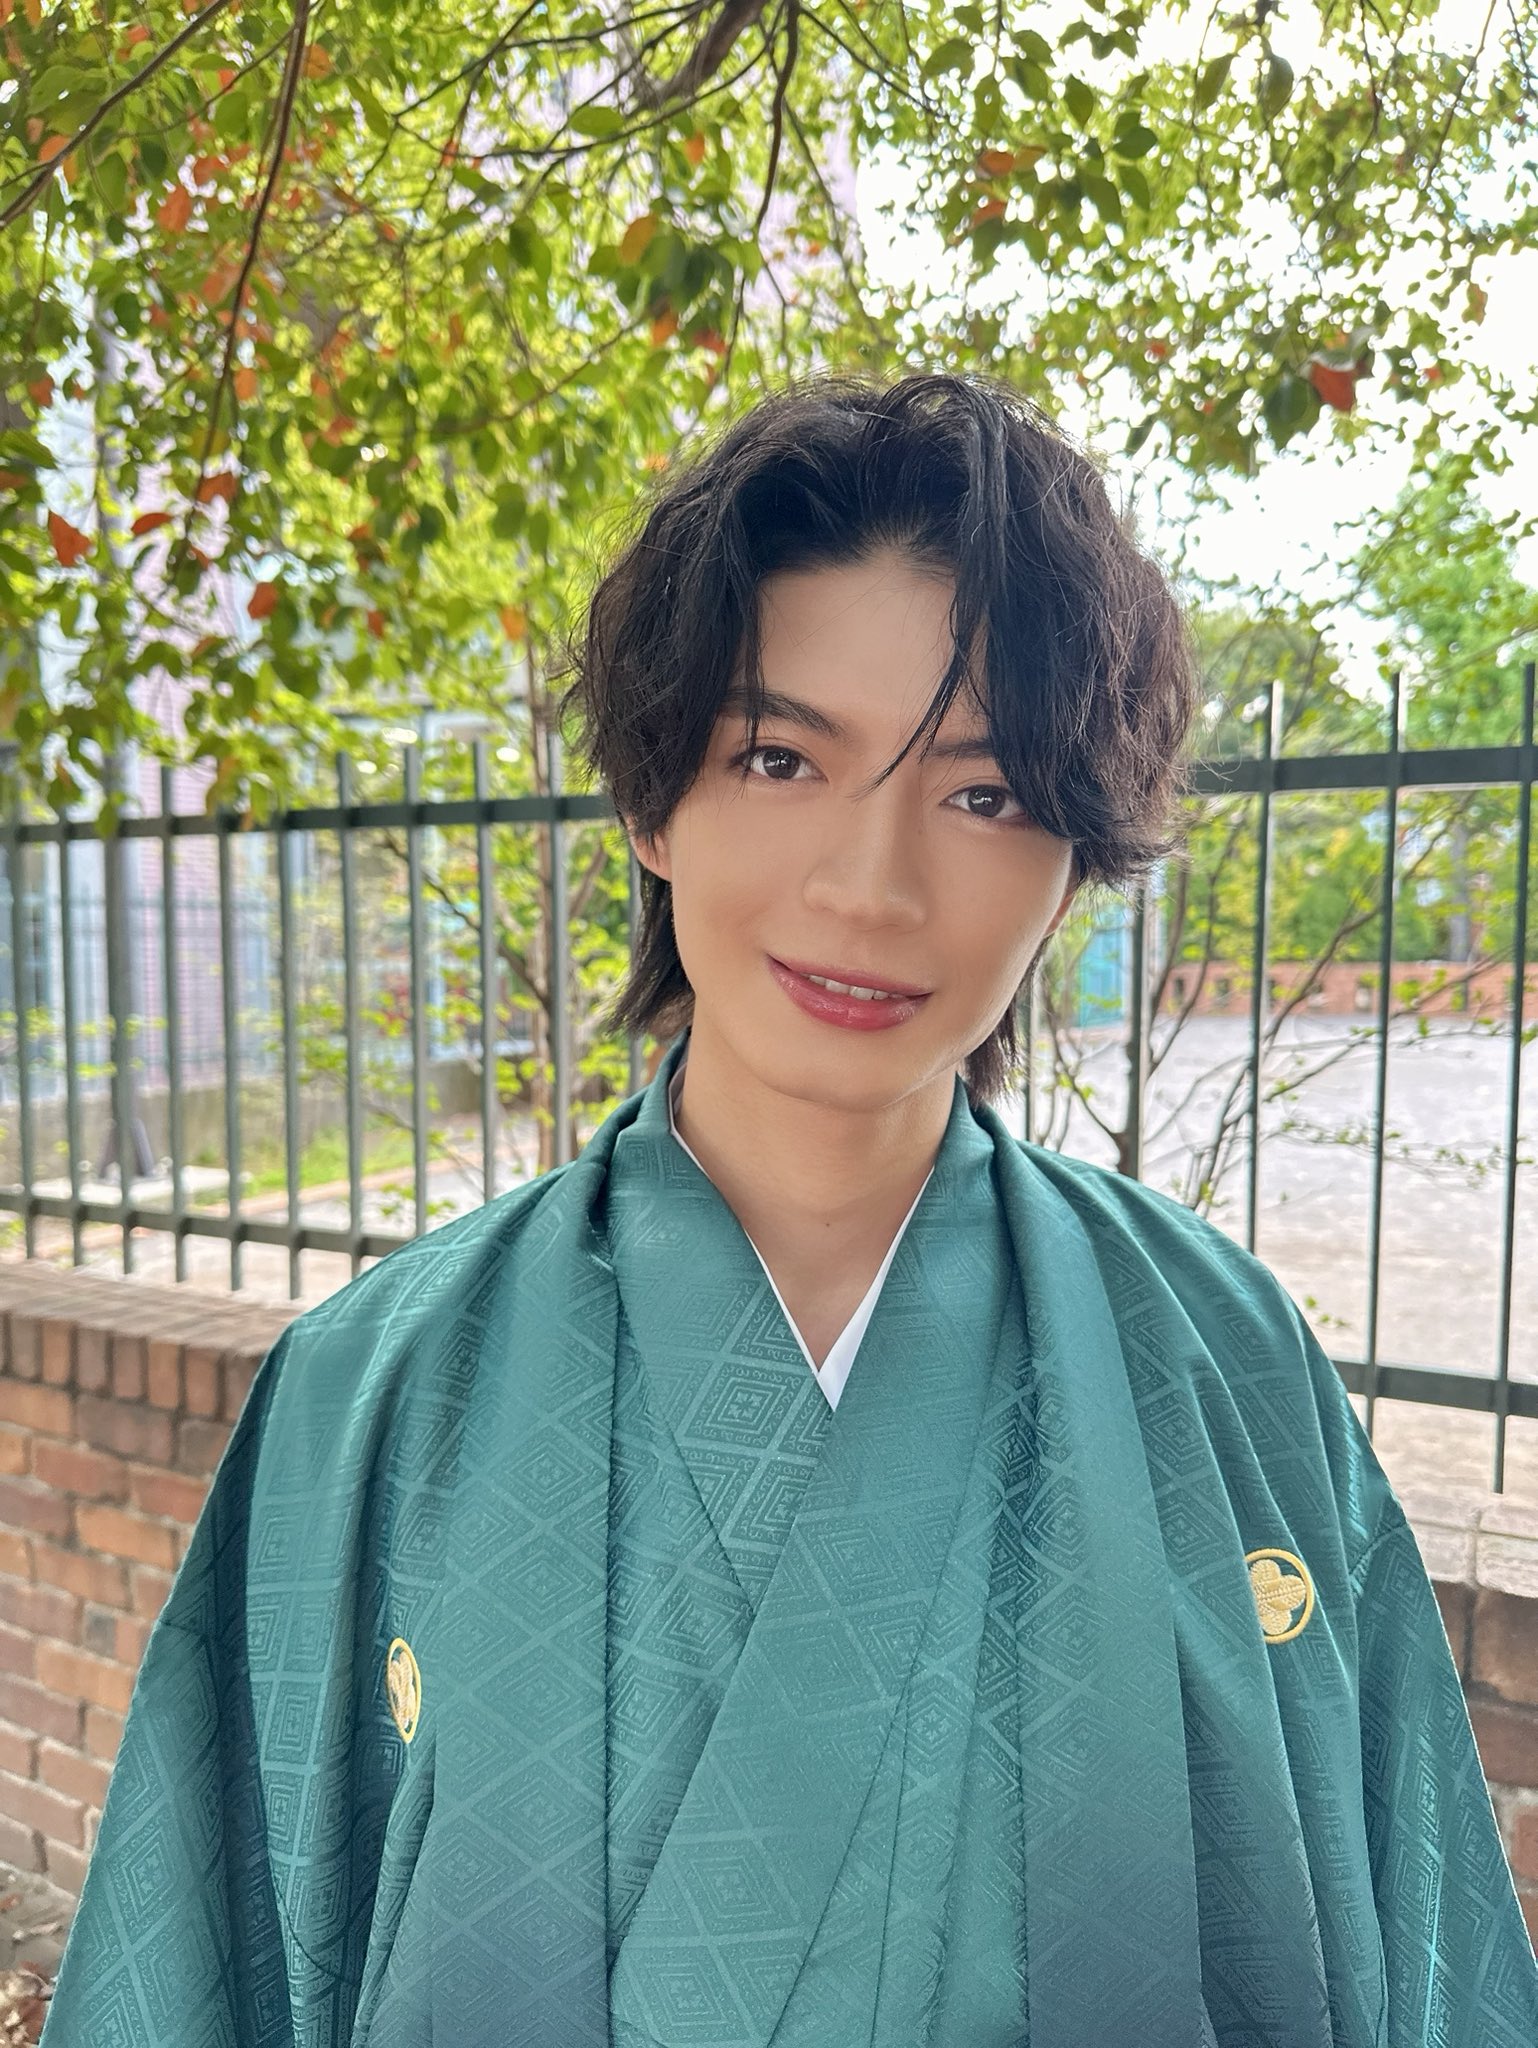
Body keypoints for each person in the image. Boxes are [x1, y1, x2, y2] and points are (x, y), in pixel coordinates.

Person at [41, 374, 1538, 2048]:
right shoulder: (376, 1384)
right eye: (777, 756)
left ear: (1076, 854)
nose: (869, 886)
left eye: (984, 794)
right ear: (650, 801)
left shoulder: (1214, 1357)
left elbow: (1394, 1937)